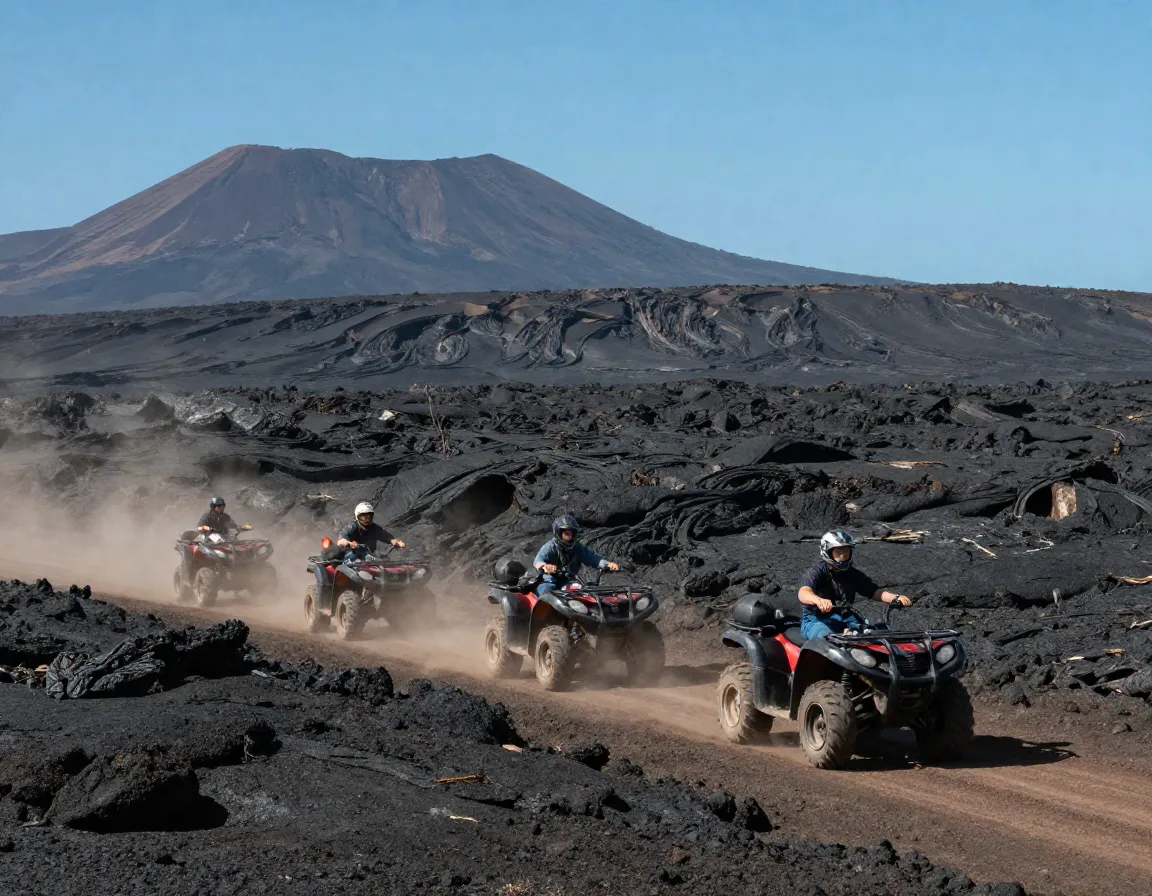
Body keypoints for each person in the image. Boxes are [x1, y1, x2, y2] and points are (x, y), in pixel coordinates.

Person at [797, 529, 912, 640]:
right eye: (838, 552)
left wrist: (895, 598)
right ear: (827, 552)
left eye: (846, 552)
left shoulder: (852, 574)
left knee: (873, 633)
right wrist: (818, 600)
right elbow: (803, 592)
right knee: (828, 638)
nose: (842, 556)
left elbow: (873, 591)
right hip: (816, 621)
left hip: (845, 618)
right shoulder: (815, 573)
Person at [533, 514, 619, 595]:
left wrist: (608, 564)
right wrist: (545, 566)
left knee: (579, 591)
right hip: (549, 581)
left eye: (573, 534)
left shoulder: (578, 547)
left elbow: (593, 558)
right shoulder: (550, 546)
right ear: (558, 533)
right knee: (547, 591)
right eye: (567, 534)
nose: (570, 537)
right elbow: (538, 561)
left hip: (567, 581)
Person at [336, 502, 406, 556]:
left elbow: (389, 538)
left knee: (380, 557)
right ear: (357, 517)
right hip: (352, 558)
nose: (367, 519)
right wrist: (349, 543)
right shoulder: (351, 527)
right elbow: (341, 541)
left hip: (370, 559)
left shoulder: (374, 528)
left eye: (369, 516)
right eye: (363, 517)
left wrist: (398, 542)